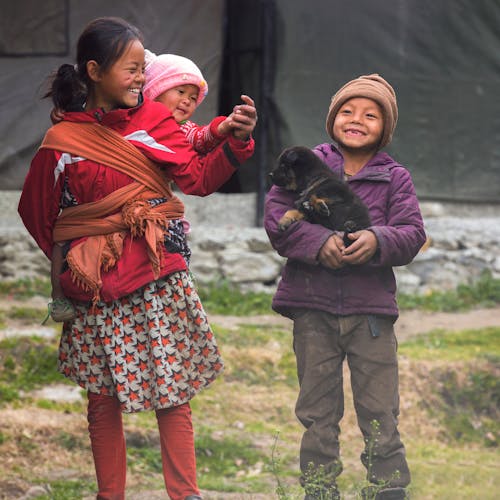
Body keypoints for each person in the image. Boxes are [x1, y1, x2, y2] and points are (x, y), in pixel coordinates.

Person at [18, 16, 257, 500]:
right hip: (95, 288)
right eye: (130, 68)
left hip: (155, 273)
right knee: (102, 397)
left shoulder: (154, 121)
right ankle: (111, 495)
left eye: (141, 68)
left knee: (173, 393)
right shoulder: (63, 142)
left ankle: (185, 494)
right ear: (94, 71)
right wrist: (76, 260)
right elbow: (37, 211)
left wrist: (234, 141)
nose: (140, 78)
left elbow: (197, 179)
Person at [264, 74, 426, 500]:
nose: (357, 119)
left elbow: (411, 233)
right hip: (312, 310)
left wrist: (378, 240)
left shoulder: (395, 179)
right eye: (347, 111)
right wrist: (319, 244)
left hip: (370, 314)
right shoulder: (304, 164)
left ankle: (388, 489)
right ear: (332, 118)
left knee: (379, 410)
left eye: (371, 115)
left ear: (385, 128)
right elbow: (277, 221)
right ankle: (319, 489)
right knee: (317, 410)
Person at [45, 49, 252, 323]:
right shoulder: (111, 125)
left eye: (193, 98)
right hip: (93, 235)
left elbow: (200, 143)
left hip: (149, 236)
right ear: (155, 89)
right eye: (179, 92)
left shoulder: (178, 129)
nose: (187, 102)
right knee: (65, 233)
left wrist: (227, 131)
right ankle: (58, 297)